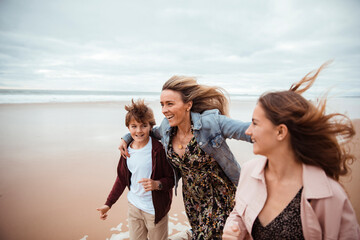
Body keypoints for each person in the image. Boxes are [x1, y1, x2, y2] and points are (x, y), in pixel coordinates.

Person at [222, 62, 360, 240]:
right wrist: (234, 228)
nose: (248, 131)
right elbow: (239, 213)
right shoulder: (249, 171)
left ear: (280, 131)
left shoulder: (329, 195)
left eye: (255, 123)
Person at [119, 76, 252, 239]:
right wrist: (126, 138)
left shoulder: (210, 122)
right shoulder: (167, 127)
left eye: (170, 103)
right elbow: (146, 133)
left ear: (188, 105)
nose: (164, 110)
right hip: (193, 199)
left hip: (221, 195)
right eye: (162, 104)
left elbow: (248, 131)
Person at [97, 99, 174, 240]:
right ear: (128, 128)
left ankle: (187, 235)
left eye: (144, 126)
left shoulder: (159, 150)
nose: (138, 131)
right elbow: (121, 179)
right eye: (134, 126)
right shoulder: (126, 151)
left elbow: (171, 179)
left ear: (151, 126)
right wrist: (108, 204)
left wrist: (157, 184)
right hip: (134, 207)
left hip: (155, 210)